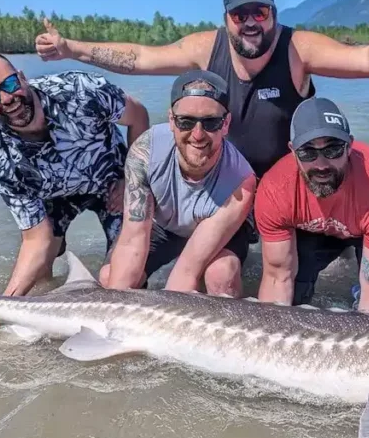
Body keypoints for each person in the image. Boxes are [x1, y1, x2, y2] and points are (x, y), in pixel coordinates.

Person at [34, 0, 369, 180]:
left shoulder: (297, 48)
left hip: (294, 179)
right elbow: (140, 57)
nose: (250, 22)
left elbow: (365, 62)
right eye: (240, 14)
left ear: (273, 13)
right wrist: (73, 49)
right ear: (227, 19)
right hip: (228, 180)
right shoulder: (205, 47)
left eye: (260, 11)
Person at [0, 52, 150, 325]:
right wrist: (4, 303)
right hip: (55, 199)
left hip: (112, 181)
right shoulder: (1, 157)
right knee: (39, 281)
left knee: (119, 281)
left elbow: (139, 116)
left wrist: (130, 180)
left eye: (9, 85)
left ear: (22, 78)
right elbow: (36, 239)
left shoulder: (81, 91)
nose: (6, 99)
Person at [100, 70, 257, 296]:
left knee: (221, 273)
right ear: (172, 121)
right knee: (110, 278)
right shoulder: (145, 152)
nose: (197, 134)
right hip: (163, 224)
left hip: (214, 232)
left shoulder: (241, 181)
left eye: (211, 122)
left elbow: (185, 273)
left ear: (226, 124)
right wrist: (116, 308)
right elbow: (132, 241)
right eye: (186, 121)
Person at [253, 97, 369, 312]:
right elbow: (277, 278)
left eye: (333, 150)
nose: (321, 165)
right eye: (308, 152)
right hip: (314, 223)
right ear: (293, 151)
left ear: (349, 146)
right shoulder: (275, 189)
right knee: (294, 294)